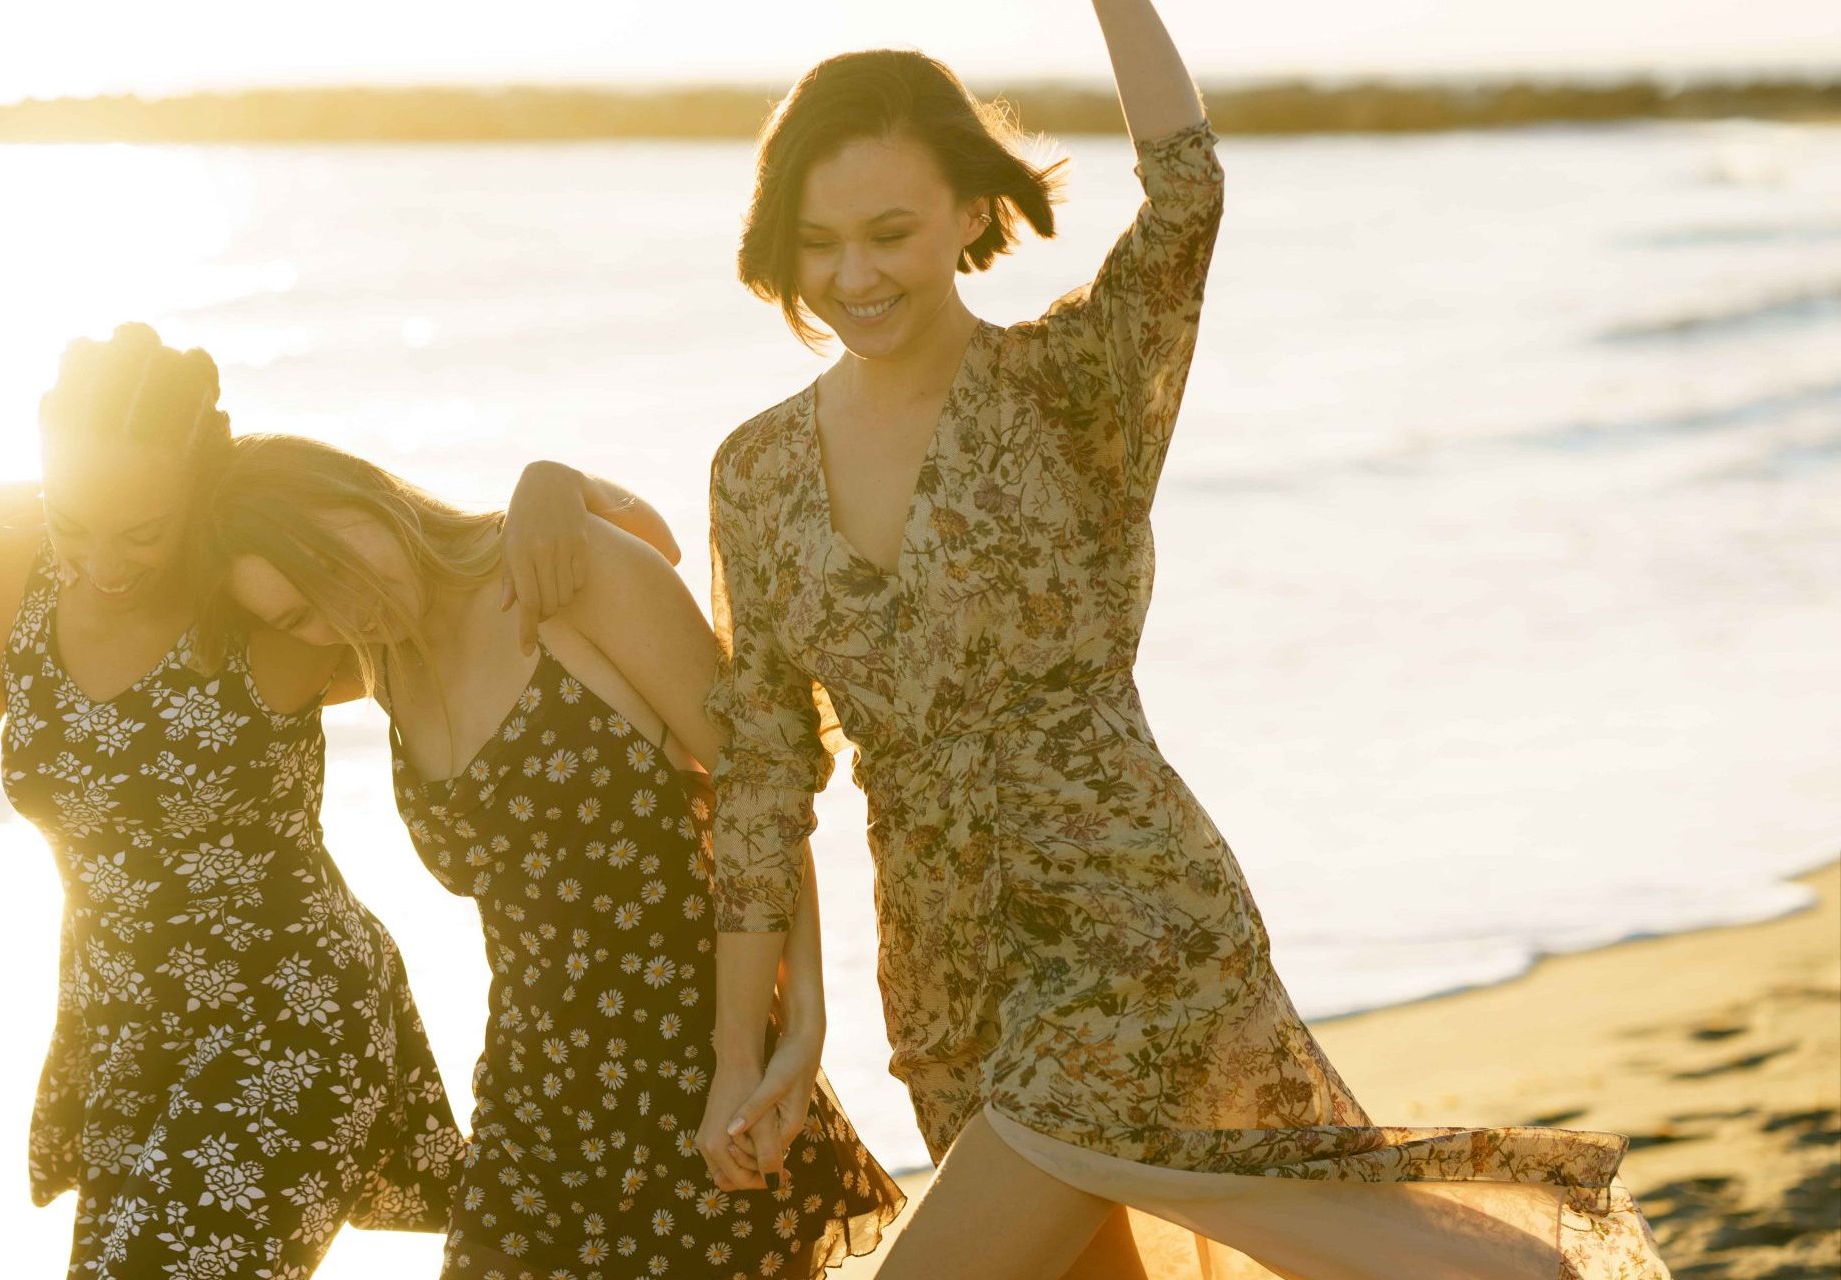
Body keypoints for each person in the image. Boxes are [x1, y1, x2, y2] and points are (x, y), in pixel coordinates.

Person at [691, 11, 1674, 1278]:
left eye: (890, 232)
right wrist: (745, 1053)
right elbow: (764, 775)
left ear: (967, 213)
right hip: (941, 977)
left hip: (1131, 933)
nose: (855, 275)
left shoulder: (1074, 386)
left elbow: (1186, 190)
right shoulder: (755, 471)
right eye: (818, 242)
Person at [0, 324, 655, 1277]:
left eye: (143, 531)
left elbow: (506, 571)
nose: (105, 562)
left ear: (197, 491)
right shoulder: (7, 594)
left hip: (295, 1021)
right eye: (74, 524)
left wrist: (560, 485)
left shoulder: (263, 601)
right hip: (125, 1042)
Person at [199, 433, 905, 1279]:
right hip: (527, 1118)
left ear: (359, 494)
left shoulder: (557, 575)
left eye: (329, 570)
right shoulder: (382, 660)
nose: (339, 615)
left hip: (697, 1087)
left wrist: (791, 1035)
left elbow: (760, 791)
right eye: (297, 617)